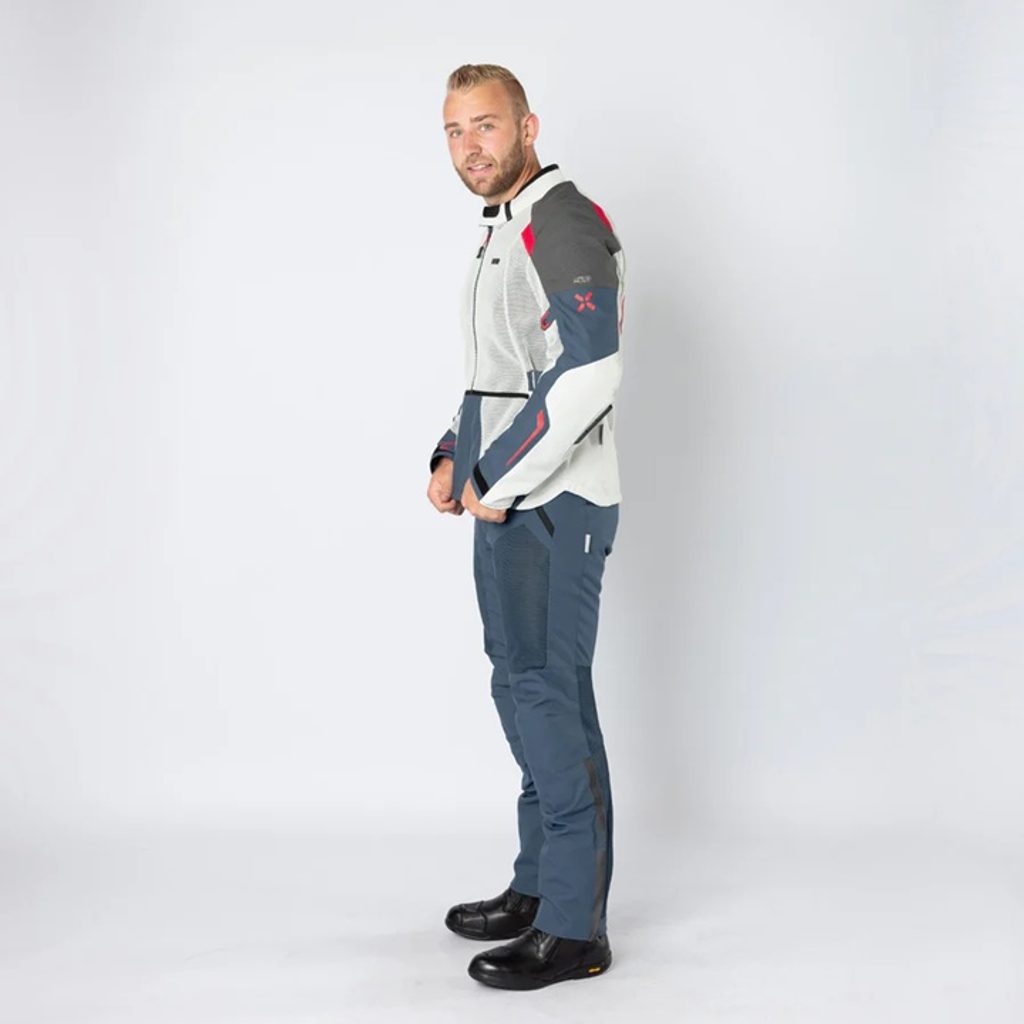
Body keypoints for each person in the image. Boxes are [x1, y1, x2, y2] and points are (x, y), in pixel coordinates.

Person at [425, 63, 626, 991]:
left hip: (556, 502)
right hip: (506, 498)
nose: (471, 146)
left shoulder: (562, 219)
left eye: (487, 125)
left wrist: (493, 475)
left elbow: (590, 370)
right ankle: (540, 885)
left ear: (528, 126)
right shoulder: (502, 228)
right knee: (520, 689)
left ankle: (575, 929)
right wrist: (451, 453)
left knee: (549, 697)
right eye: (455, 130)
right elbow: (499, 374)